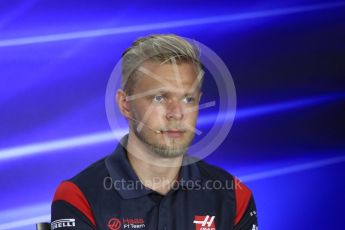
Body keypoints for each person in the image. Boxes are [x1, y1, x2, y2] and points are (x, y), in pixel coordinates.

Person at [51, 34, 258, 230]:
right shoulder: (79, 197)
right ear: (125, 104)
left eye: (188, 99)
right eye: (159, 97)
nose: (176, 114)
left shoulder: (234, 197)